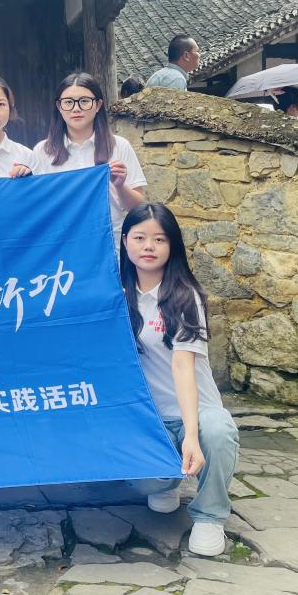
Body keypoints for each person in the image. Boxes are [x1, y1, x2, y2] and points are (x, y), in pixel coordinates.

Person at [119, 203, 239, 557]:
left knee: (218, 431)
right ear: (125, 241)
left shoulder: (186, 296)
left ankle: (210, 516)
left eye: (159, 239)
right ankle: (167, 481)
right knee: (146, 481)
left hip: (194, 410)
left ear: (172, 246)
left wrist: (190, 435)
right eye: (140, 238)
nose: (149, 246)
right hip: (148, 417)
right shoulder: (116, 296)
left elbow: (182, 367)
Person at [30, 71, 147, 242]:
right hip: (61, 244)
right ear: (59, 107)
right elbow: (35, 206)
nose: (76, 108)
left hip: (108, 243)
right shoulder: (42, 151)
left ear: (98, 105)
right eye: (68, 102)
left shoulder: (119, 146)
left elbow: (138, 208)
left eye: (84, 101)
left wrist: (120, 186)